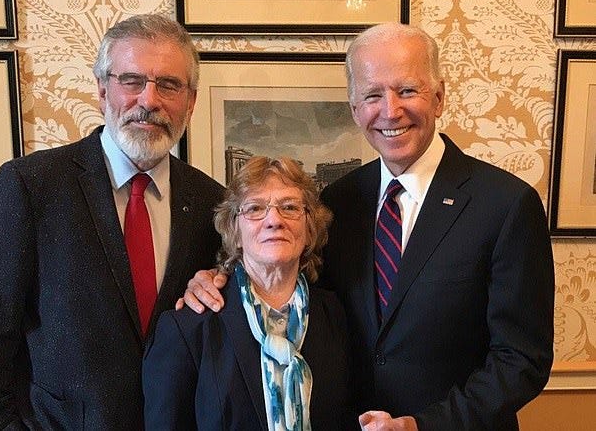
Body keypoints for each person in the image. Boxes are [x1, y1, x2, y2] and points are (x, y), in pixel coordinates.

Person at [180, 22, 555, 431]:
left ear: (440, 97)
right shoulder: (339, 202)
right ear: (355, 108)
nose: (390, 111)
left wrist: (421, 426)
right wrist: (219, 279)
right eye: (373, 95)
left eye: (407, 90)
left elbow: (521, 360)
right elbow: (289, 286)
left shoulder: (505, 204)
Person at [0, 14, 224, 430]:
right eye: (132, 80)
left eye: (169, 85)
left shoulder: (213, 202)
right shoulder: (31, 185)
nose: (149, 100)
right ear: (102, 90)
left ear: (190, 102)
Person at [143, 156, 352, 430]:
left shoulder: (334, 314)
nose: (274, 220)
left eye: (289, 207)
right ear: (235, 231)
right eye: (255, 208)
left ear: (309, 227)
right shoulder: (187, 328)